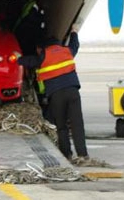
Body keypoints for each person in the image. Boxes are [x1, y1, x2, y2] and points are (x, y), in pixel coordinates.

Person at [15, 25, 90, 164]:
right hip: (73, 92)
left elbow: (30, 61)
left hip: (57, 95)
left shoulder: (43, 55)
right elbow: (75, 44)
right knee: (77, 124)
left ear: (41, 47)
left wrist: (17, 58)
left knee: (61, 126)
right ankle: (83, 155)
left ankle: (66, 154)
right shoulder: (67, 51)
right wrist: (74, 32)